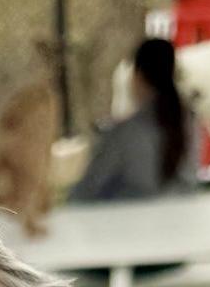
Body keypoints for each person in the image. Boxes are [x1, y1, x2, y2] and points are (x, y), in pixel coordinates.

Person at [71, 34, 196, 203]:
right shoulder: (191, 126)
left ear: (137, 76)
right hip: (184, 224)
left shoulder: (124, 135)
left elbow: (84, 195)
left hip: (132, 226)